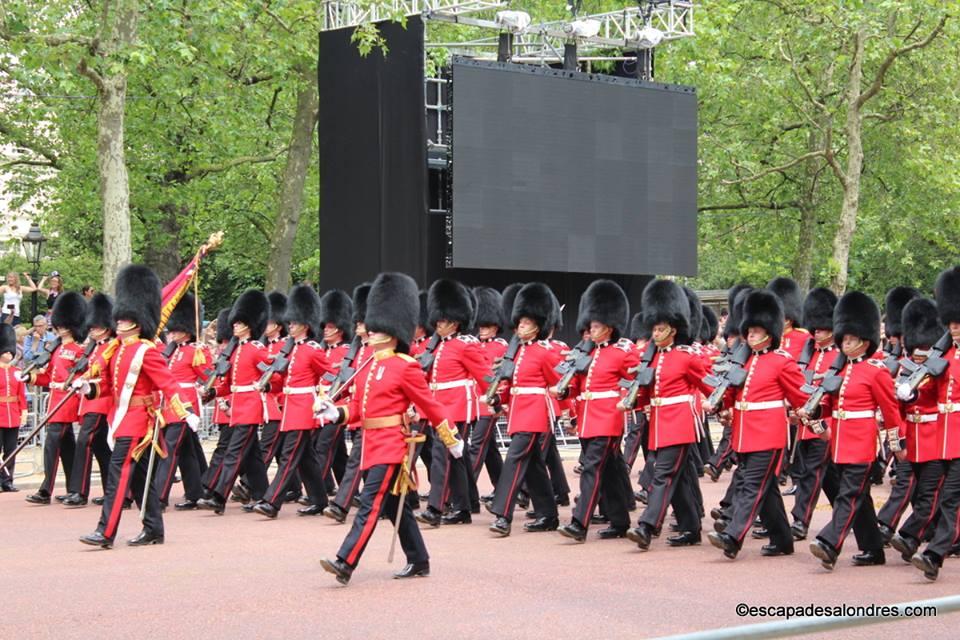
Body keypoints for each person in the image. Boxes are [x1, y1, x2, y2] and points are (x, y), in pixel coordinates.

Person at [316, 272, 464, 585]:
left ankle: (346, 560)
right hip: (370, 443)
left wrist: (450, 436)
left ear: (393, 332)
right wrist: (334, 413)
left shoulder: (404, 366)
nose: (370, 331)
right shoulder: (369, 364)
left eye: (378, 327)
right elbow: (357, 409)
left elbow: (430, 405)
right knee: (395, 507)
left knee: (368, 505)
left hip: (391, 447)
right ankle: (419, 559)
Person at [76, 264, 201, 548]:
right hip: (122, 419)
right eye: (118, 318)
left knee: (118, 474)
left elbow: (168, 384)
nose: (118, 322)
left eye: (124, 318)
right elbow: (107, 387)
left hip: (139, 422)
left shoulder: (147, 350)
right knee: (141, 477)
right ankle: (154, 529)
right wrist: (87, 387)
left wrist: (186, 412)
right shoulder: (118, 350)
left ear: (136, 319)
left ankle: (105, 531)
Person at [706, 290, 809, 560]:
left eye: (755, 331)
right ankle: (783, 540)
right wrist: (720, 406)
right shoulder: (745, 360)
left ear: (769, 332)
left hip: (768, 434)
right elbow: (733, 392)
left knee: (751, 485)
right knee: (767, 490)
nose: (749, 335)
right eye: (748, 331)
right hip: (744, 433)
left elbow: (801, 396)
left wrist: (811, 418)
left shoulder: (781, 361)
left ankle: (733, 535)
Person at [806, 291, 902, 571]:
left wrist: (896, 443)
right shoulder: (841, 371)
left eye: (850, 339)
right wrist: (814, 420)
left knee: (848, 494)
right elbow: (828, 406)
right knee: (860, 497)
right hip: (841, 440)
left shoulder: (876, 371)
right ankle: (873, 548)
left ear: (865, 340)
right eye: (843, 339)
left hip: (861, 441)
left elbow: (891, 410)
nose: (845, 344)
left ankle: (830, 542)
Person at [555, 279, 637, 543]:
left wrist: (625, 403)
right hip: (589, 418)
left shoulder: (624, 352)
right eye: (591, 325)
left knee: (591, 468)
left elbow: (635, 382)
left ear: (610, 327)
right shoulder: (587, 354)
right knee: (611, 470)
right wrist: (565, 393)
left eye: (597, 326)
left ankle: (580, 522)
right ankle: (620, 520)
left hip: (609, 417)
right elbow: (578, 385)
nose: (591, 330)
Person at [485, 283, 564, 537]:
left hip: (536, 412)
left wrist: (564, 406)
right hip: (519, 411)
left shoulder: (544, 352)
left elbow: (559, 384)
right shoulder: (516, 351)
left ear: (538, 327)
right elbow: (511, 380)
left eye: (527, 322)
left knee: (515, 459)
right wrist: (500, 399)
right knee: (533, 465)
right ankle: (548, 514)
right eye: (520, 322)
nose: (520, 326)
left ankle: (502, 515)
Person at [252, 285, 333, 518]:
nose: (290, 326)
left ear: (305, 325)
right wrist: (268, 384)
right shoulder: (290, 350)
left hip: (304, 408)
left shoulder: (313, 350)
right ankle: (319, 500)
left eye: (294, 323)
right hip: (289, 407)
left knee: (289, 456)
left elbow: (329, 376)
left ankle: (271, 501)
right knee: (306, 458)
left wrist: (324, 398)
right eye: (289, 323)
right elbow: (282, 379)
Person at [414, 279, 488, 527]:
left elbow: (485, 376)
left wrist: (498, 399)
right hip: (439, 408)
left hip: (458, 408)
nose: (438, 324)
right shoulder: (436, 347)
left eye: (443, 321)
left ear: (455, 322)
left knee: (442, 455)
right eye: (437, 320)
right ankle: (464, 508)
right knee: (456, 459)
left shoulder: (466, 345)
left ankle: (435, 508)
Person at [197, 290, 271, 513]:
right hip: (238, 405)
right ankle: (262, 496)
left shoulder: (257, 350)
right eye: (235, 323)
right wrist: (210, 393)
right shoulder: (235, 351)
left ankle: (219, 496)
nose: (235, 326)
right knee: (252, 456)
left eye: (240, 323)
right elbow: (228, 385)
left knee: (234, 452)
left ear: (250, 325)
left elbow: (273, 374)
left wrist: (265, 384)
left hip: (250, 406)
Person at [887, 297, 946, 564]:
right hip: (911, 434)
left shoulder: (939, 365)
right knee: (914, 488)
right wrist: (897, 439)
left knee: (930, 492)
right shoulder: (905, 366)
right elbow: (895, 408)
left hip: (935, 435)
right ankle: (920, 536)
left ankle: (911, 535)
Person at [912, 266, 960, 580]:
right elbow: (930, 390)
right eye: (952, 323)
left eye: (959, 324)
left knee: (952, 499)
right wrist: (918, 379)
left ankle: (934, 553)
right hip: (944, 435)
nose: (955, 329)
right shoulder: (945, 356)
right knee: (946, 498)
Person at [23, 291, 88, 505]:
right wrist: (30, 377)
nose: (60, 327)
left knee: (51, 444)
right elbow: (47, 377)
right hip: (54, 402)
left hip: (66, 403)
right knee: (67, 447)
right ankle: (73, 489)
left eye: (63, 323)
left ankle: (45, 490)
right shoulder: (57, 349)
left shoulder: (79, 350)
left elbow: (79, 377)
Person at [788, 287, 839, 541]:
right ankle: (858, 520)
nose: (816, 332)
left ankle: (800, 520)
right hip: (807, 420)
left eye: (821, 328)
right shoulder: (809, 354)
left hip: (826, 421)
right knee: (829, 480)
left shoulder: (839, 355)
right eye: (815, 328)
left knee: (811, 473)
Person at [152, 292, 211, 510]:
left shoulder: (196, 351)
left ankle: (158, 497)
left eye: (176, 329)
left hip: (185, 406)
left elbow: (209, 376)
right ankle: (197, 492)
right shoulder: (171, 352)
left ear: (187, 329)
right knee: (187, 451)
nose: (172, 333)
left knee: (169, 450)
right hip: (169, 405)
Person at [62, 293, 115, 507]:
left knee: (84, 442)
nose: (91, 330)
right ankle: (116, 490)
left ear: (105, 326)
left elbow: (109, 379)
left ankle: (78, 491)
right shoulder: (94, 349)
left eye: (95, 326)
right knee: (101, 447)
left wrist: (87, 385)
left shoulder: (110, 348)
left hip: (102, 401)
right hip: (90, 401)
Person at [0, 324, 28, 492]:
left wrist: (23, 412)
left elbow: (21, 395)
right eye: (6, 351)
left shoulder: (16, 371)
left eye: (10, 351)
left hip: (13, 414)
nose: (9, 354)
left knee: (11, 451)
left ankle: (8, 480)